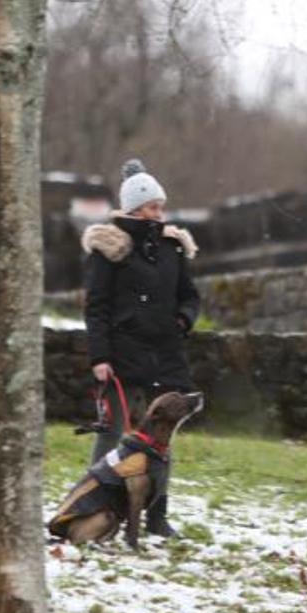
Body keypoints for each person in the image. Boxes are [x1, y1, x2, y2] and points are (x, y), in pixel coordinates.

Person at [81, 159, 201, 539]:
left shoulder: (172, 247)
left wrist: (182, 319)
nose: (159, 213)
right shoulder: (110, 249)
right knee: (112, 432)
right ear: (134, 208)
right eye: (152, 206)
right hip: (122, 353)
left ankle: (156, 515)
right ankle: (95, 504)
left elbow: (189, 296)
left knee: (163, 440)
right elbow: (96, 306)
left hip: (165, 354)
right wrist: (100, 357)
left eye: (160, 206)